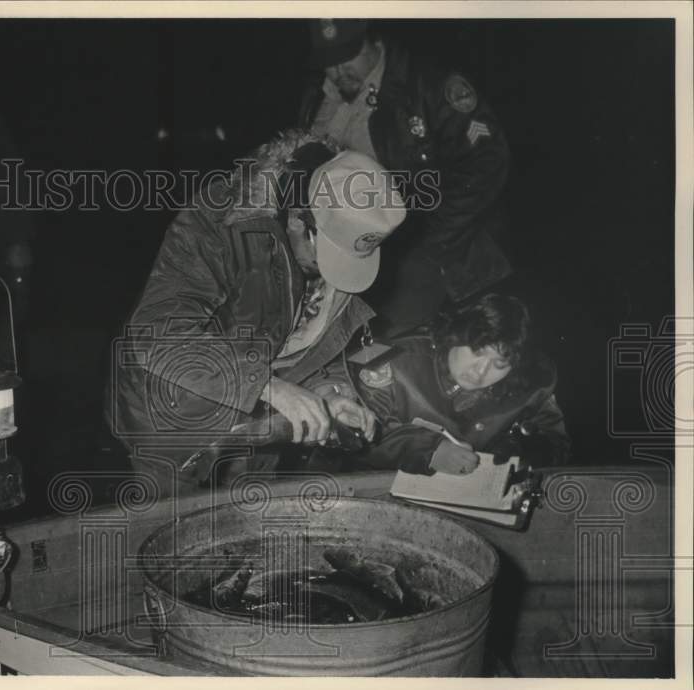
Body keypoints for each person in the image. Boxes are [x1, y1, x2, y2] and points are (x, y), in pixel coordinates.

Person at [106, 130, 407, 496]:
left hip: (257, 427)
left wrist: (328, 395)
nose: (331, 273)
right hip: (175, 420)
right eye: (327, 256)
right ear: (298, 220)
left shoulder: (346, 219)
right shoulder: (220, 224)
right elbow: (156, 336)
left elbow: (305, 342)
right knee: (177, 535)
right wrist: (269, 387)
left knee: (253, 532)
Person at [300, 19, 512, 336]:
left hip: (418, 252)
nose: (338, 70)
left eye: (348, 56)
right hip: (341, 247)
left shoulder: (430, 86)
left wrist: (428, 241)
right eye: (329, 62)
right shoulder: (318, 95)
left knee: (380, 343)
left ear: (371, 41)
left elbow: (489, 160)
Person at [340, 294, 570, 476]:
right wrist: (429, 451)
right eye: (477, 352)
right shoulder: (384, 358)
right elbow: (355, 436)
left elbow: (555, 442)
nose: (480, 372)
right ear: (455, 334)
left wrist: (518, 452)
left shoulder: (535, 380)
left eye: (499, 364)